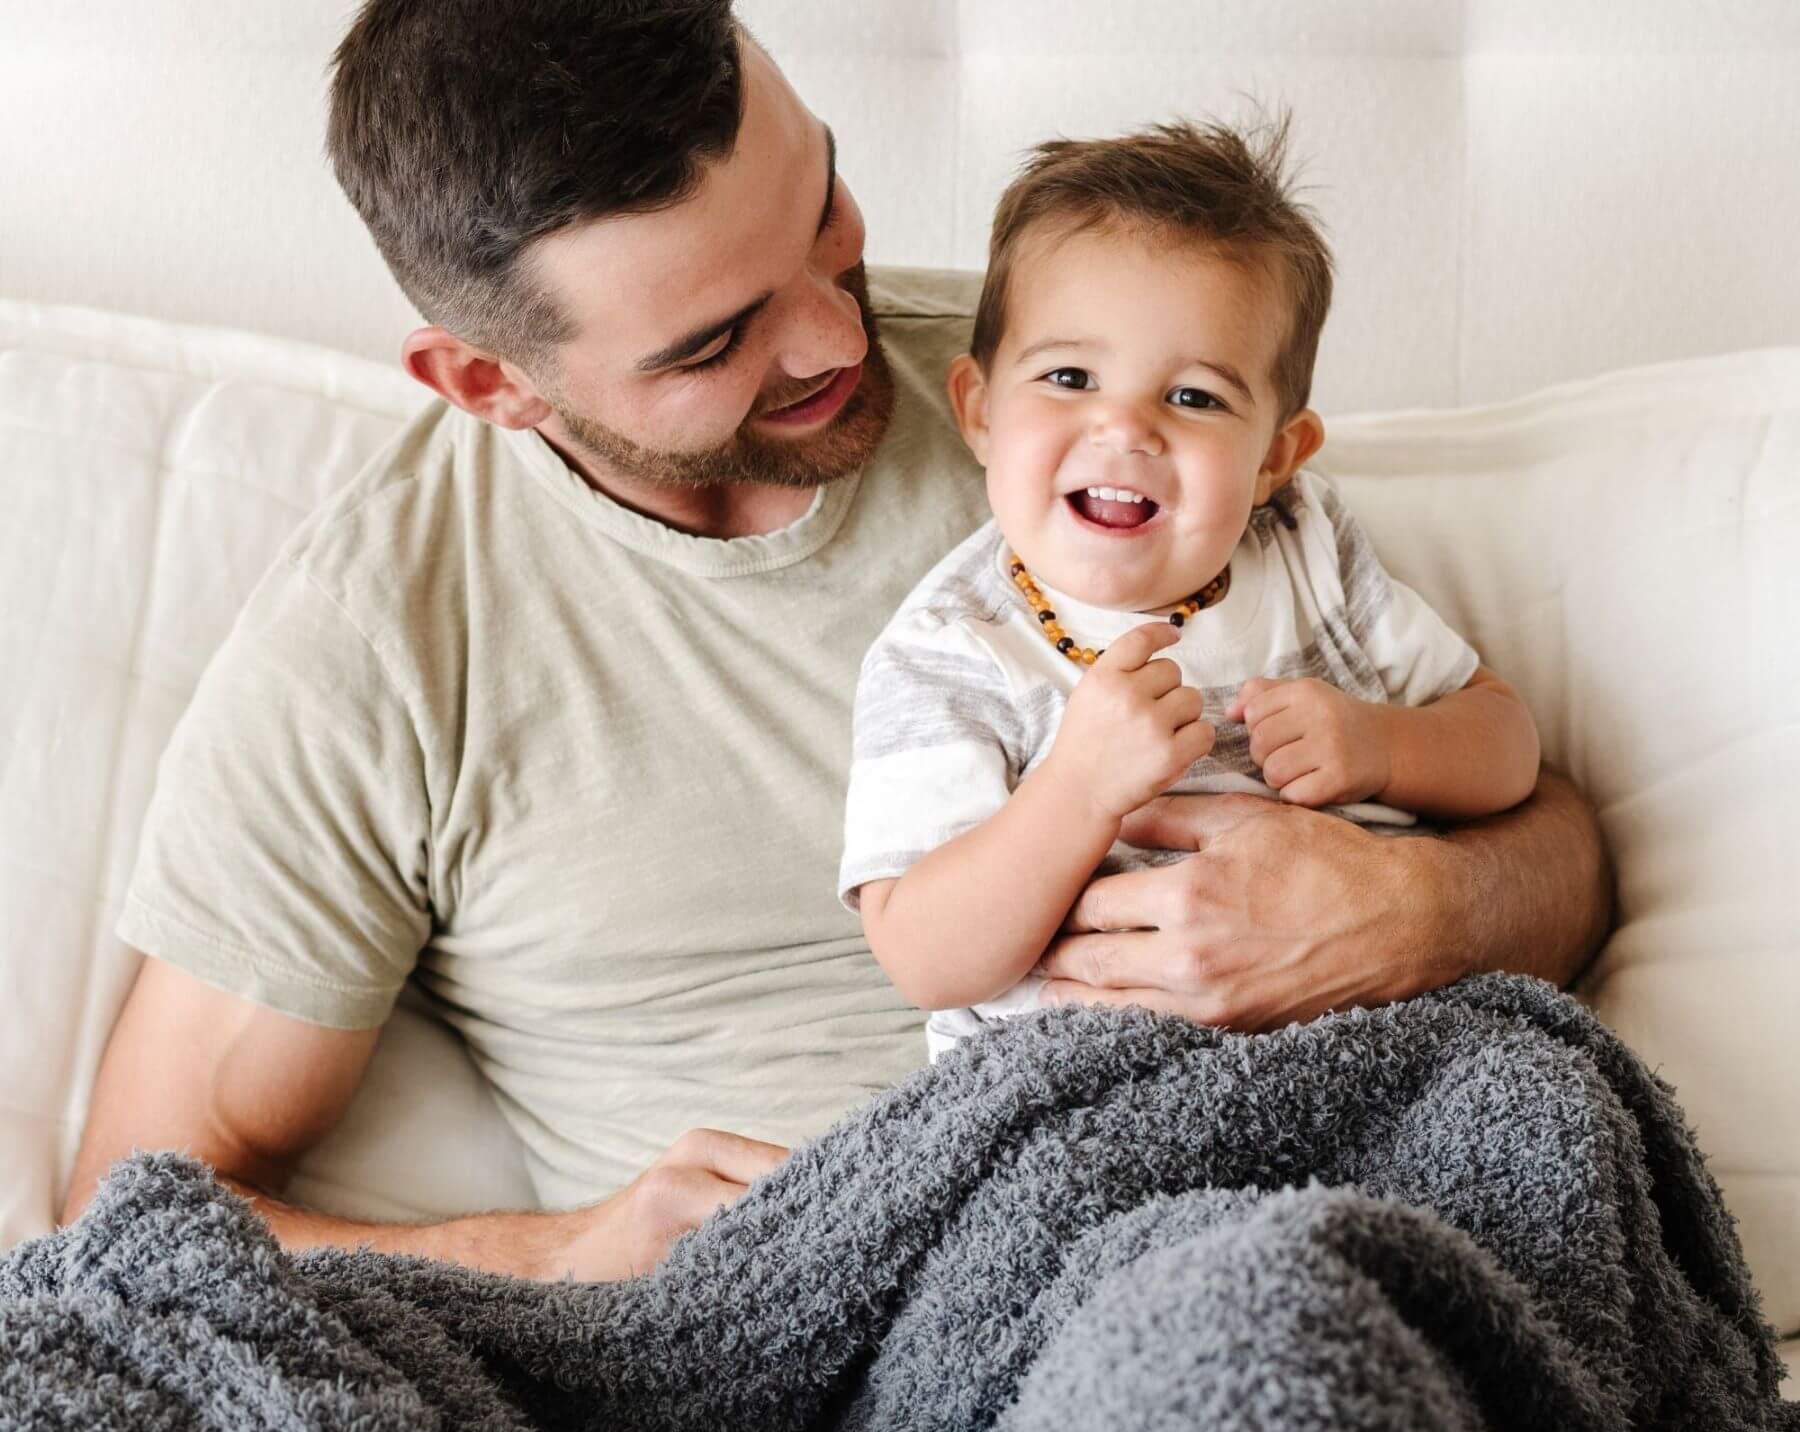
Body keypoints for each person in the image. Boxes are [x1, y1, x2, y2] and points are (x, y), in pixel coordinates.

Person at [61, 0, 1611, 1281]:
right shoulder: (381, 640)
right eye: (714, 339)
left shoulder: (1090, 403)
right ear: (490, 383)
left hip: (1272, 1215)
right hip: (829, 1345)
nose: (834, 334)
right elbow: (131, 1225)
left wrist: (1412, 912)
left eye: (822, 210)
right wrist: (560, 1255)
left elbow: (1561, 848)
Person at [841, 120, 1541, 1059]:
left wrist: (1385, 745)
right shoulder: (952, 649)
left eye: (1195, 397)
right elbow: (926, 959)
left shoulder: (1304, 551)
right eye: (1070, 376)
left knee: (1546, 1087)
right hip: (1088, 1077)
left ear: (1276, 459)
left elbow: (1508, 746)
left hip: (1364, 1042)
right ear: (980, 411)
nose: (1126, 428)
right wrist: (1075, 793)